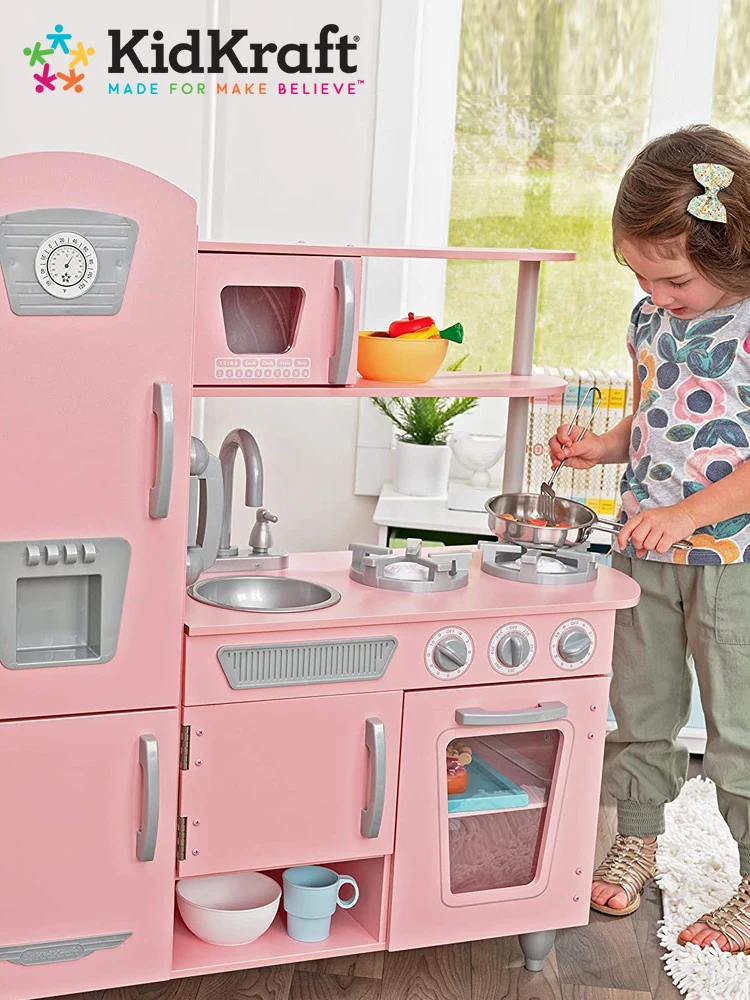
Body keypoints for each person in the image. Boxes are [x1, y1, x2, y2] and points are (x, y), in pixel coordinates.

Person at [549, 124, 750, 953]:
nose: (656, 292)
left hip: (733, 561)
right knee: (640, 705)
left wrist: (691, 514)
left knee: (739, 727)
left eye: (672, 278)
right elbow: (660, 412)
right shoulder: (653, 318)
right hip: (645, 546)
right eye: (638, 274)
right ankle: (639, 834)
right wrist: (606, 445)